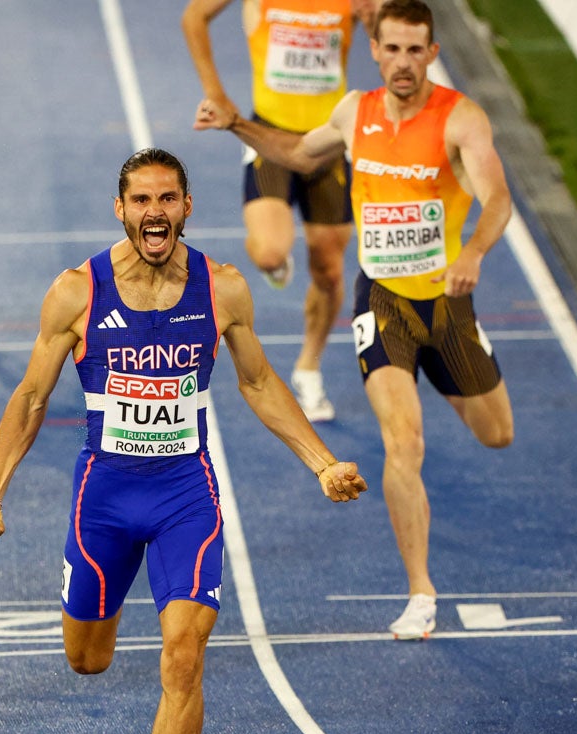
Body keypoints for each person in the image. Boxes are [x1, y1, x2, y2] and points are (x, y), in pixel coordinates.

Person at [0, 148, 366, 734]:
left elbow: (256, 379)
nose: (155, 211)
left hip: (187, 496)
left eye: (168, 198)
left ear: (186, 207)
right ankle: (100, 615)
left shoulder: (224, 288)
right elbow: (28, 398)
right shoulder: (76, 292)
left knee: (183, 655)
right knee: (88, 659)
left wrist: (322, 461)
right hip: (104, 500)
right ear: (120, 209)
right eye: (141, 199)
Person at [195, 0, 515, 639]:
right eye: (391, 49)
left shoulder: (460, 120)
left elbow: (498, 198)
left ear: (431, 52)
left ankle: (459, 372)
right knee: (404, 443)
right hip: (384, 305)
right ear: (375, 48)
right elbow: (298, 153)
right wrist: (236, 124)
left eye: (414, 50)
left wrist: (474, 253)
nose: (402, 62)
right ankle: (421, 592)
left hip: (448, 307)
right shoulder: (355, 112)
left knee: (496, 433)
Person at [183, 0, 377, 422]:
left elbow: (389, 29)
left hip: (329, 142)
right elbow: (193, 16)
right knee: (270, 253)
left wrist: (372, 16)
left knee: (327, 268)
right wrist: (216, 92)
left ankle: (308, 367)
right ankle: (276, 264)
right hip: (268, 137)